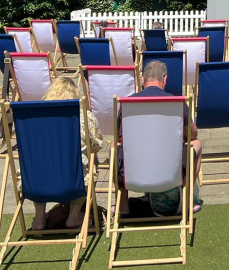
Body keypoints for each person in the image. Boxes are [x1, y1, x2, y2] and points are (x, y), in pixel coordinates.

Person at [119, 60, 203, 216]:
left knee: (114, 148)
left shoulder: (127, 103)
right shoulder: (176, 103)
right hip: (170, 171)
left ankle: (123, 205)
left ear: (142, 80)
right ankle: (188, 199)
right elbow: (193, 133)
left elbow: (119, 138)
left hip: (132, 173)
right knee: (196, 143)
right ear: (165, 79)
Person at [30, 76, 103, 232]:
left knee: (37, 162)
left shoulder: (34, 119)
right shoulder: (84, 117)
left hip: (37, 181)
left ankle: (40, 218)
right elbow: (96, 145)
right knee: (91, 159)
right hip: (73, 180)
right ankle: (74, 215)